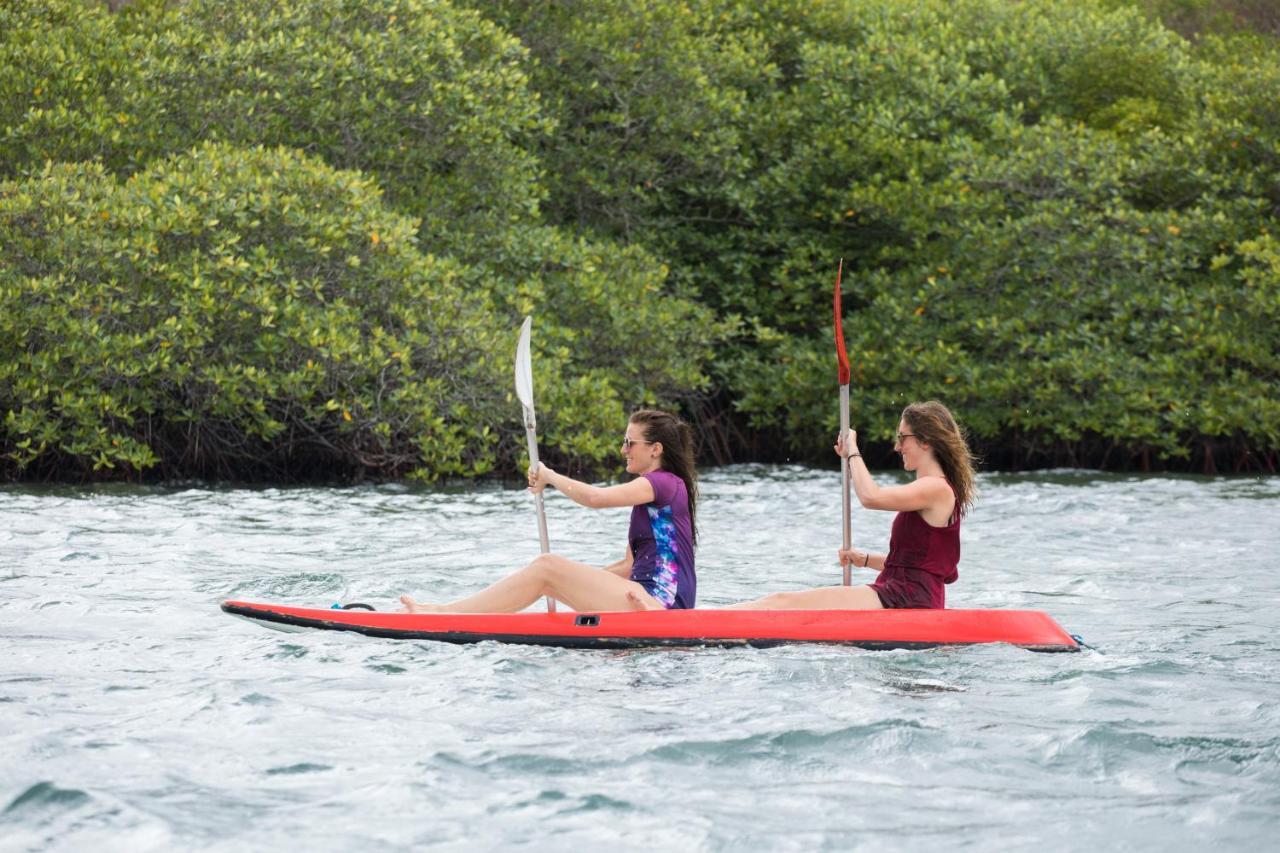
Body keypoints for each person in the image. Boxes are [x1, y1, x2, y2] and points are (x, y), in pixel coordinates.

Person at [399, 409, 697, 613]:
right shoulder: (658, 494)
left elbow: (595, 498)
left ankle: (444, 612)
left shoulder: (661, 483)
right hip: (647, 597)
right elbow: (629, 565)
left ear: (655, 449)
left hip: (660, 605)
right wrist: (578, 581)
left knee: (547, 566)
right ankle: (457, 610)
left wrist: (549, 476)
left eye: (629, 443)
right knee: (552, 574)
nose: (623, 450)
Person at [726, 400, 975, 610]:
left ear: (925, 441)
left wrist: (853, 452)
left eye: (902, 437)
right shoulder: (935, 489)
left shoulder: (936, 488)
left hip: (905, 598)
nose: (897, 446)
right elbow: (918, 562)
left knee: (783, 602)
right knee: (783, 601)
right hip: (907, 594)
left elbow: (871, 497)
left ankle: (703, 621)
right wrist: (864, 559)